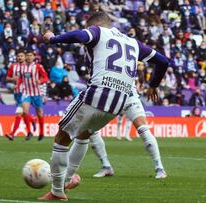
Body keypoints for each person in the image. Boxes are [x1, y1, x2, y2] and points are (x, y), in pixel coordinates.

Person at [39, 11, 168, 201]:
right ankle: (67, 179)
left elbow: (79, 36)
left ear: (95, 23)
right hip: (119, 101)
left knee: (61, 137)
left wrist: (54, 38)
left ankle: (57, 191)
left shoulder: (98, 32)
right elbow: (163, 61)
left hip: (98, 93)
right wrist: (154, 85)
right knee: (83, 134)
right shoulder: (133, 42)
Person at [20, 50, 49, 141]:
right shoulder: (22, 67)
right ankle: (29, 132)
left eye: (30, 55)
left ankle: (41, 133)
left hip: (36, 93)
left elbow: (45, 77)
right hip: (26, 92)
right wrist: (18, 84)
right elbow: (21, 78)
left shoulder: (38, 66)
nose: (29, 57)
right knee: (24, 112)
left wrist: (40, 81)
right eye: (27, 55)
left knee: (39, 114)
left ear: (34, 57)